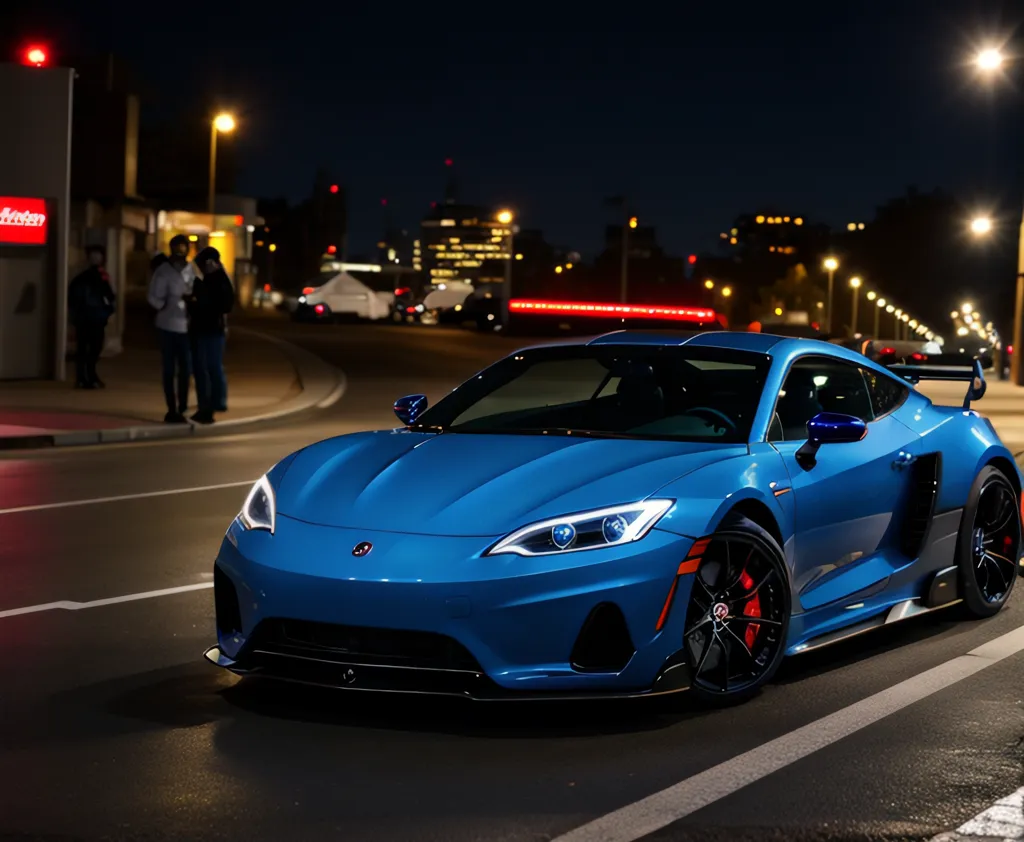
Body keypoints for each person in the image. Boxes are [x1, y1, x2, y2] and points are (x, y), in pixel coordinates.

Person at [148, 235, 195, 423]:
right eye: (177, 248)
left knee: (186, 369)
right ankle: (171, 408)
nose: (180, 252)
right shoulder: (163, 271)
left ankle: (182, 406)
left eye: (183, 248)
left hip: (186, 327)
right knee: (169, 369)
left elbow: (198, 291)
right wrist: (164, 304)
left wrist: (193, 302)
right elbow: (153, 296)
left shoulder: (192, 270)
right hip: (167, 325)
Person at [187, 246, 234, 424]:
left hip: (211, 330)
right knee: (206, 368)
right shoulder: (208, 280)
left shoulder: (217, 281)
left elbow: (223, 305)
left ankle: (211, 404)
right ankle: (211, 404)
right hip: (205, 330)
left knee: (209, 368)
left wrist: (197, 303)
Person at [67, 244, 116, 389]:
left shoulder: (100, 276)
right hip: (88, 317)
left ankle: (87, 376)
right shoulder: (85, 277)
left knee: (92, 348)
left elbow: (109, 296)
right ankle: (84, 377)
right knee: (87, 348)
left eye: (98, 256)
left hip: (94, 317)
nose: (96, 259)